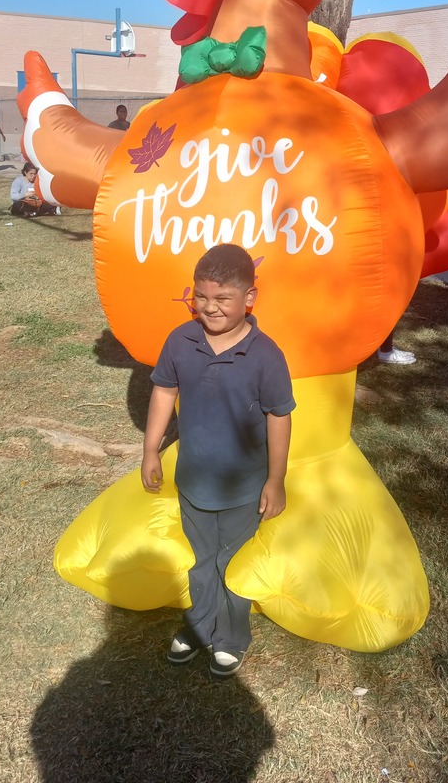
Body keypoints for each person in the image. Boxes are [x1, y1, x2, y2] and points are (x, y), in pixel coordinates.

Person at [141, 243, 295, 678]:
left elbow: (279, 417)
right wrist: (150, 448)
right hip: (193, 480)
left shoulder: (266, 356)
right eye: (202, 296)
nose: (210, 307)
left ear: (249, 298)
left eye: (222, 298)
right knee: (201, 558)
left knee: (232, 561)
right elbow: (164, 392)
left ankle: (230, 636)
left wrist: (275, 479)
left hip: (244, 488)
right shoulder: (180, 340)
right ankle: (198, 624)